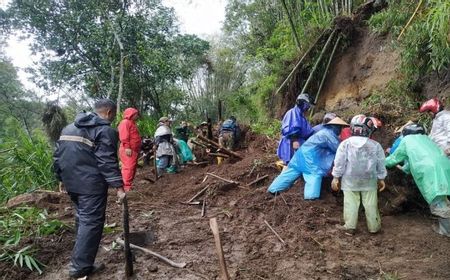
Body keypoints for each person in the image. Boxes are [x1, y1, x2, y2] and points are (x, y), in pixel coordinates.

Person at [53, 99, 125, 278]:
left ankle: (81, 260)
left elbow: (58, 155)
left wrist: (60, 178)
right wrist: (119, 187)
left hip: (72, 182)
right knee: (90, 222)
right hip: (90, 185)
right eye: (114, 114)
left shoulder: (68, 128)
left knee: (82, 218)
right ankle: (80, 268)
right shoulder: (105, 130)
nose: (113, 118)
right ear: (109, 112)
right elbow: (107, 161)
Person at [385, 123, 450, 237]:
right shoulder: (427, 139)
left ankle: (446, 230)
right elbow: (415, 158)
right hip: (445, 166)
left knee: (438, 201)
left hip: (431, 171)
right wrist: (405, 169)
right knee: (443, 196)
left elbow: (395, 158)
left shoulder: (407, 140)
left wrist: (381, 162)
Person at [268, 117, 349, 200]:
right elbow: (339, 148)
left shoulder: (323, 131)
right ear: (336, 127)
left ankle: (273, 190)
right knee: (314, 175)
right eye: (340, 127)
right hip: (310, 160)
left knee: (290, 173)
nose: (341, 129)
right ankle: (311, 198)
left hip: (300, 156)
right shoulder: (329, 134)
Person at [331, 115, 387, 234]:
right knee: (371, 204)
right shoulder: (375, 145)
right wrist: (381, 178)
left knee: (350, 203)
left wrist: (336, 177)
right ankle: (374, 227)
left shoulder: (345, 144)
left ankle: (350, 227)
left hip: (349, 180)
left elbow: (339, 162)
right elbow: (381, 163)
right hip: (369, 180)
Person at [277, 93, 314, 165]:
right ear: (302, 103)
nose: (308, 107)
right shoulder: (293, 112)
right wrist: (295, 140)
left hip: (300, 142)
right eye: (307, 105)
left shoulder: (301, 116)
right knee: (291, 164)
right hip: (292, 142)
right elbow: (291, 128)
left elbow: (307, 131)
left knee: (296, 165)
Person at [118, 108, 141, 192]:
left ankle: (128, 185)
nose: (137, 116)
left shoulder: (132, 123)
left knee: (132, 168)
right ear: (131, 114)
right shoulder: (125, 122)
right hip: (128, 149)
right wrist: (127, 147)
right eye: (135, 114)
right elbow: (124, 136)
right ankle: (126, 187)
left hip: (133, 150)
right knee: (128, 168)